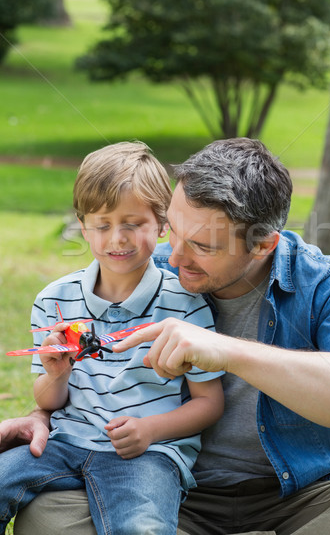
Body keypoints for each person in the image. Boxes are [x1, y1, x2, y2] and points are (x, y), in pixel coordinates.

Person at [3, 138, 330, 534]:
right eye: (172, 230)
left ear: (262, 244)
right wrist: (43, 413)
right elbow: (86, 377)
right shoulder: (141, 268)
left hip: (302, 500)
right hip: (176, 498)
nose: (173, 257)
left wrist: (228, 352)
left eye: (202, 245)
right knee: (46, 518)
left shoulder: (324, 284)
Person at [0, 141, 224, 535]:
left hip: (148, 455)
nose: (116, 238)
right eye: (102, 225)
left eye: (133, 224)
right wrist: (56, 373)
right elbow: (48, 402)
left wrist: (151, 431)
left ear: (162, 224)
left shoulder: (186, 304)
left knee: (140, 528)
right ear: (82, 227)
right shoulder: (55, 299)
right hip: (65, 442)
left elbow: (209, 404)